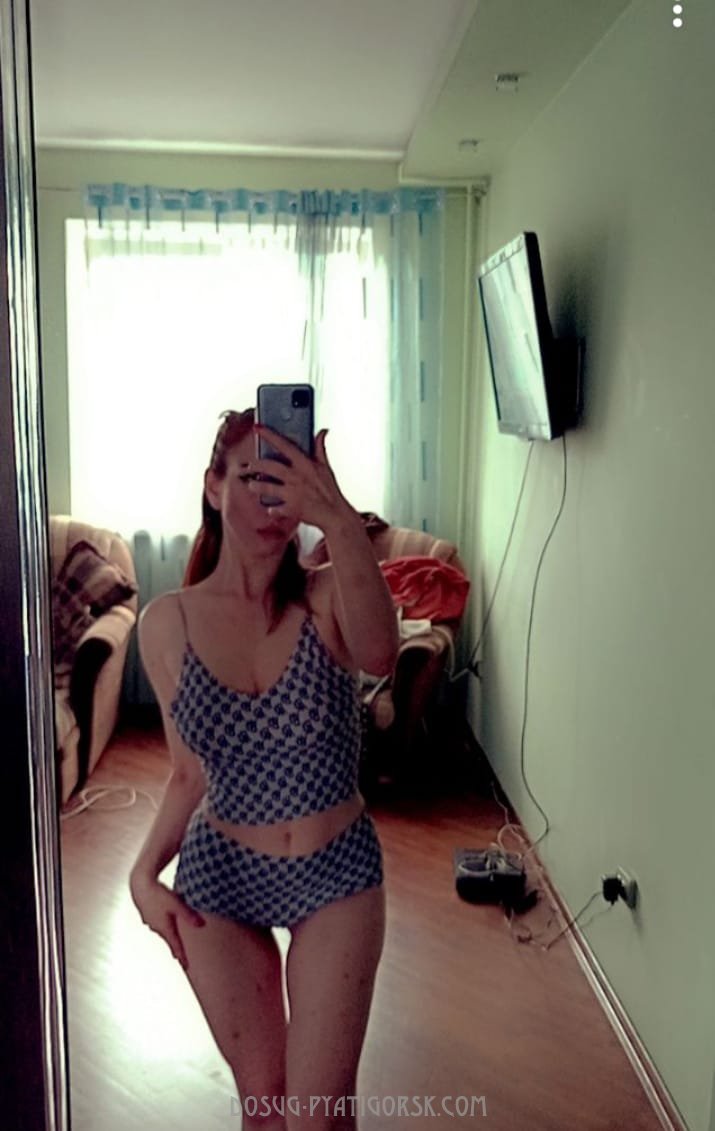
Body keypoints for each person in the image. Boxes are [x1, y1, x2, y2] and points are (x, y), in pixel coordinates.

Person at [129, 407, 399, 1131]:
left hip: (335, 874)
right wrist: (142, 875)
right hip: (221, 877)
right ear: (213, 486)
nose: (270, 499)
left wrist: (336, 516)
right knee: (266, 1105)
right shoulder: (167, 623)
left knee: (319, 1116)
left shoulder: (325, 595)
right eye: (252, 477)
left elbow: (381, 653)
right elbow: (187, 775)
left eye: (286, 479)